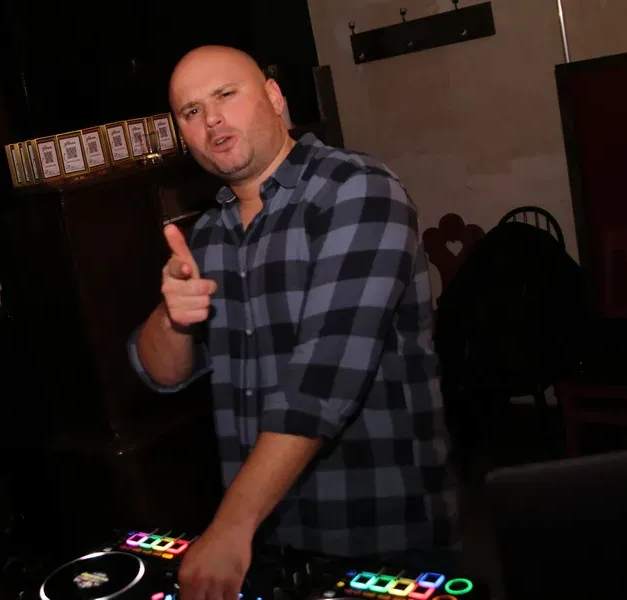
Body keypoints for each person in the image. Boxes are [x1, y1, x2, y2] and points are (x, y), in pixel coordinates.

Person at [127, 45, 458, 600]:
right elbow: (159, 374)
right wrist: (172, 316)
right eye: (191, 111)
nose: (212, 120)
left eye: (226, 95)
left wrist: (230, 525)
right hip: (270, 540)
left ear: (275, 97)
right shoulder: (206, 235)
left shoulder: (357, 189)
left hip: (381, 535)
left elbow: (323, 381)